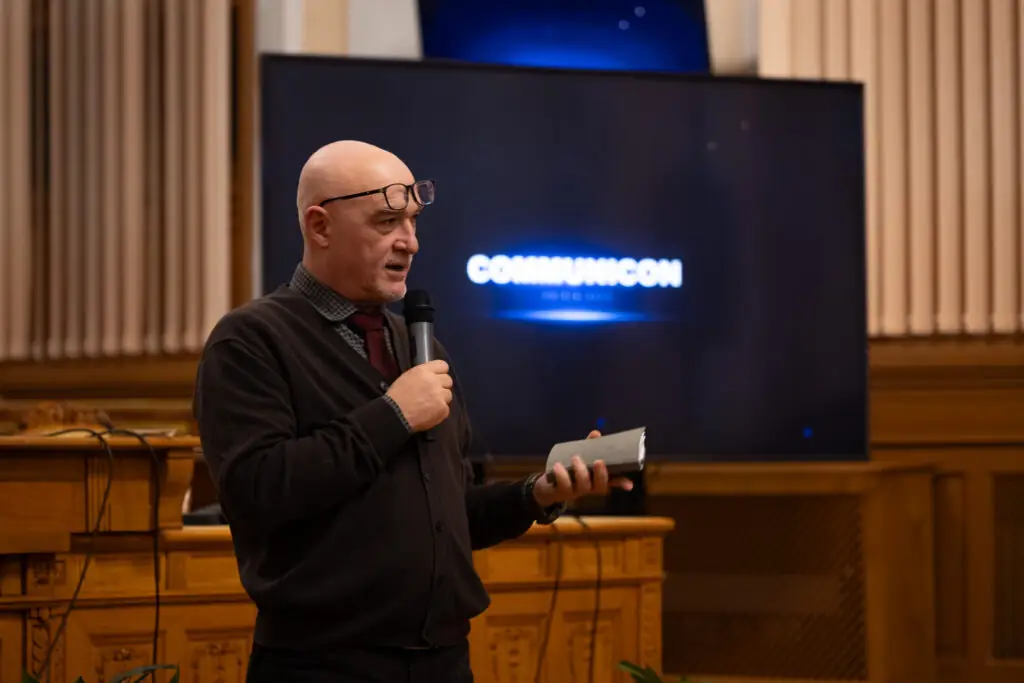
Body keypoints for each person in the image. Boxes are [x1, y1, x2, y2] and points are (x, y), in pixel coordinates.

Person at [193, 140, 632, 683]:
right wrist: (393, 414)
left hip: (443, 660)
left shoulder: (419, 346)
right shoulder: (252, 340)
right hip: (322, 664)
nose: (410, 241)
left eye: (414, 222)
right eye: (387, 221)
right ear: (320, 226)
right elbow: (256, 492)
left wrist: (537, 493)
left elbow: (452, 513)